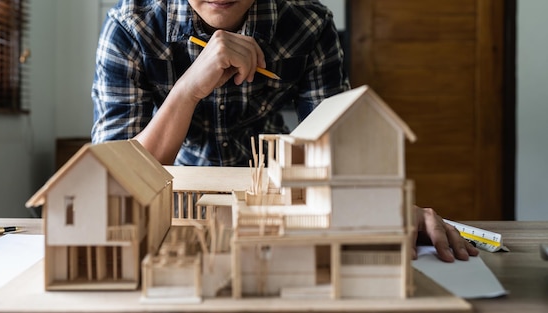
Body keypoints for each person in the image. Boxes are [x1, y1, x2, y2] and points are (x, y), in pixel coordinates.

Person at [91, 0, 478, 262]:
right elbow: (116, 183)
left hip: (279, 212)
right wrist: (188, 89)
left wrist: (379, 205)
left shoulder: (309, 24)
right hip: (170, 218)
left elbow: (334, 145)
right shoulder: (130, 26)